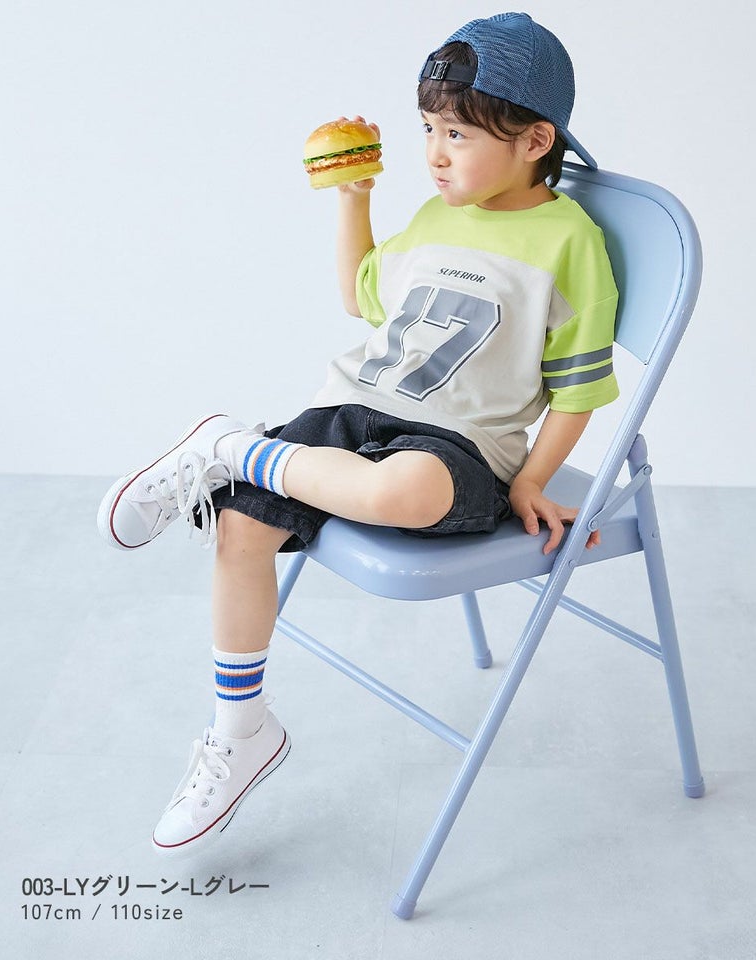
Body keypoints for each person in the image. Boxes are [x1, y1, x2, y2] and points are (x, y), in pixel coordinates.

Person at [97, 12, 619, 856]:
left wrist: (531, 479)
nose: (435, 153)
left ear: (534, 141)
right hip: (355, 405)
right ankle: (242, 731)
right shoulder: (437, 214)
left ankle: (228, 446)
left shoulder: (571, 242)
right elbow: (363, 298)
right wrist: (355, 196)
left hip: (462, 444)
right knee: (242, 528)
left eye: (457, 133)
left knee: (401, 492)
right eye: (428, 129)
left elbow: (579, 389)